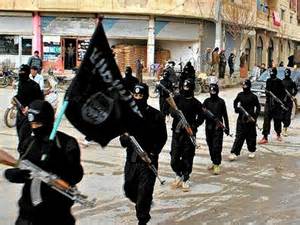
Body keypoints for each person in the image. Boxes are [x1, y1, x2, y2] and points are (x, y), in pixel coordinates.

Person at [4, 100, 83, 225]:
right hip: (28, 214)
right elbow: (23, 165)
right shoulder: (29, 142)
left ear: (49, 121)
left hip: (57, 214)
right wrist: (15, 174)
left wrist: (55, 159)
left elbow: (76, 176)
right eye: (32, 124)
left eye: (38, 123)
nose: (34, 128)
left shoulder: (67, 143)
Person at [119, 83, 167, 225]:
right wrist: (125, 139)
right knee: (129, 189)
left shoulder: (155, 115)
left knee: (144, 193)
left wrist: (153, 153)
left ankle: (143, 219)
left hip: (148, 162)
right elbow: (122, 140)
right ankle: (143, 201)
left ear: (145, 96)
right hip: (132, 160)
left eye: (141, 96)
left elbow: (162, 137)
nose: (138, 98)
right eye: (135, 95)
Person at [170, 78, 204, 191]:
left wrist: (193, 125)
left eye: (188, 87)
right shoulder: (177, 98)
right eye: (184, 87)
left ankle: (185, 178)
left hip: (189, 135)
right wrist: (175, 113)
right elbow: (171, 109)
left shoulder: (196, 103)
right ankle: (178, 173)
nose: (185, 89)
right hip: (177, 133)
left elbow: (201, 117)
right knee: (174, 158)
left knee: (187, 157)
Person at [229, 79, 261, 161]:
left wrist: (255, 116)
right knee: (239, 136)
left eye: (245, 85)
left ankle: (252, 151)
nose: (244, 87)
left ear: (249, 86)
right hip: (241, 119)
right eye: (243, 86)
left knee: (251, 136)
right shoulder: (240, 95)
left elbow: (258, 107)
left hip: (250, 119)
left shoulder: (253, 96)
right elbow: (235, 102)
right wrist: (237, 109)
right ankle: (234, 153)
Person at [203, 83, 229, 175]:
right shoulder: (206, 101)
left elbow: (225, 115)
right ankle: (213, 161)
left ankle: (217, 164)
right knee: (210, 145)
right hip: (208, 127)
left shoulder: (221, 102)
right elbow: (202, 113)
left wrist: (227, 127)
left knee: (217, 147)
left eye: (214, 91)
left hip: (218, 127)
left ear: (217, 91)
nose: (212, 93)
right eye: (211, 91)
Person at [15, 64, 44, 143]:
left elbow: (40, 101)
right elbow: (20, 96)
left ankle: (23, 151)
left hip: (29, 116)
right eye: (19, 71)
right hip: (20, 114)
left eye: (22, 71)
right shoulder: (20, 83)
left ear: (27, 72)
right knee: (20, 135)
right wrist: (15, 99)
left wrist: (29, 107)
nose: (20, 73)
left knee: (24, 137)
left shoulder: (34, 85)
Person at [258, 68, 286, 144]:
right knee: (266, 120)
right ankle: (265, 137)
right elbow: (267, 91)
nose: (271, 74)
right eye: (270, 73)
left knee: (277, 120)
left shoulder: (279, 82)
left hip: (277, 105)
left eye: (272, 73)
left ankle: (278, 134)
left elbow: (283, 93)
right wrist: (269, 95)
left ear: (275, 73)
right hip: (269, 103)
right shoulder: (268, 81)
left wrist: (279, 100)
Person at [282, 68, 298, 136]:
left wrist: (293, 95)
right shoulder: (281, 81)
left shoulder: (292, 82)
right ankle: (282, 127)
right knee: (282, 116)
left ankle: (285, 129)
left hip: (289, 101)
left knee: (288, 116)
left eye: (287, 73)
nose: (286, 74)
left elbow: (296, 90)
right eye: (285, 73)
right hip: (282, 101)